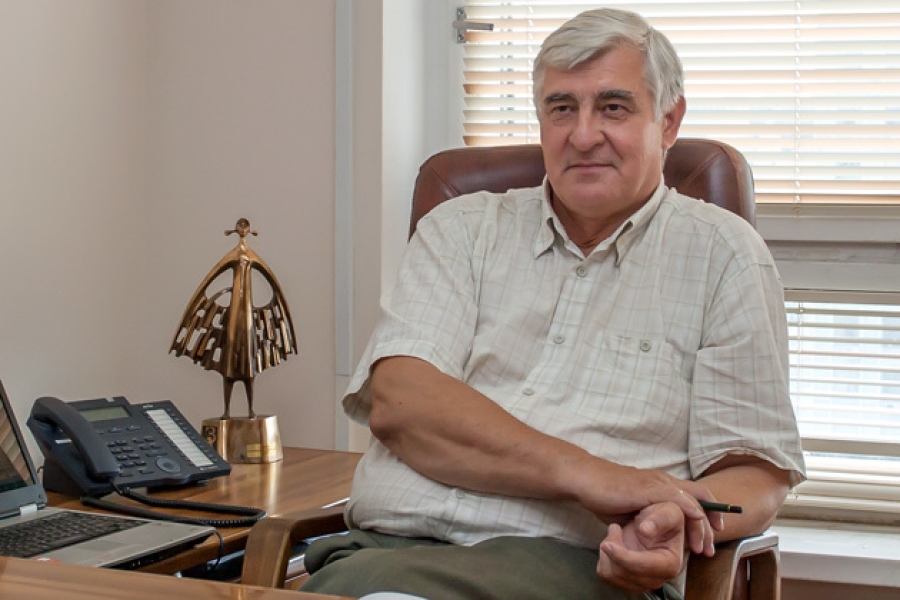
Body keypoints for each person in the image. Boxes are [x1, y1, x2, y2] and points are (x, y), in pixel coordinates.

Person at [302, 7, 805, 600]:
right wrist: (592, 477)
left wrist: (672, 516)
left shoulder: (724, 255)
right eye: (561, 108)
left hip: (577, 570)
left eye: (613, 107)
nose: (583, 135)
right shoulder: (461, 230)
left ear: (668, 121)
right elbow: (400, 404)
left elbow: (756, 474)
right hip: (383, 555)